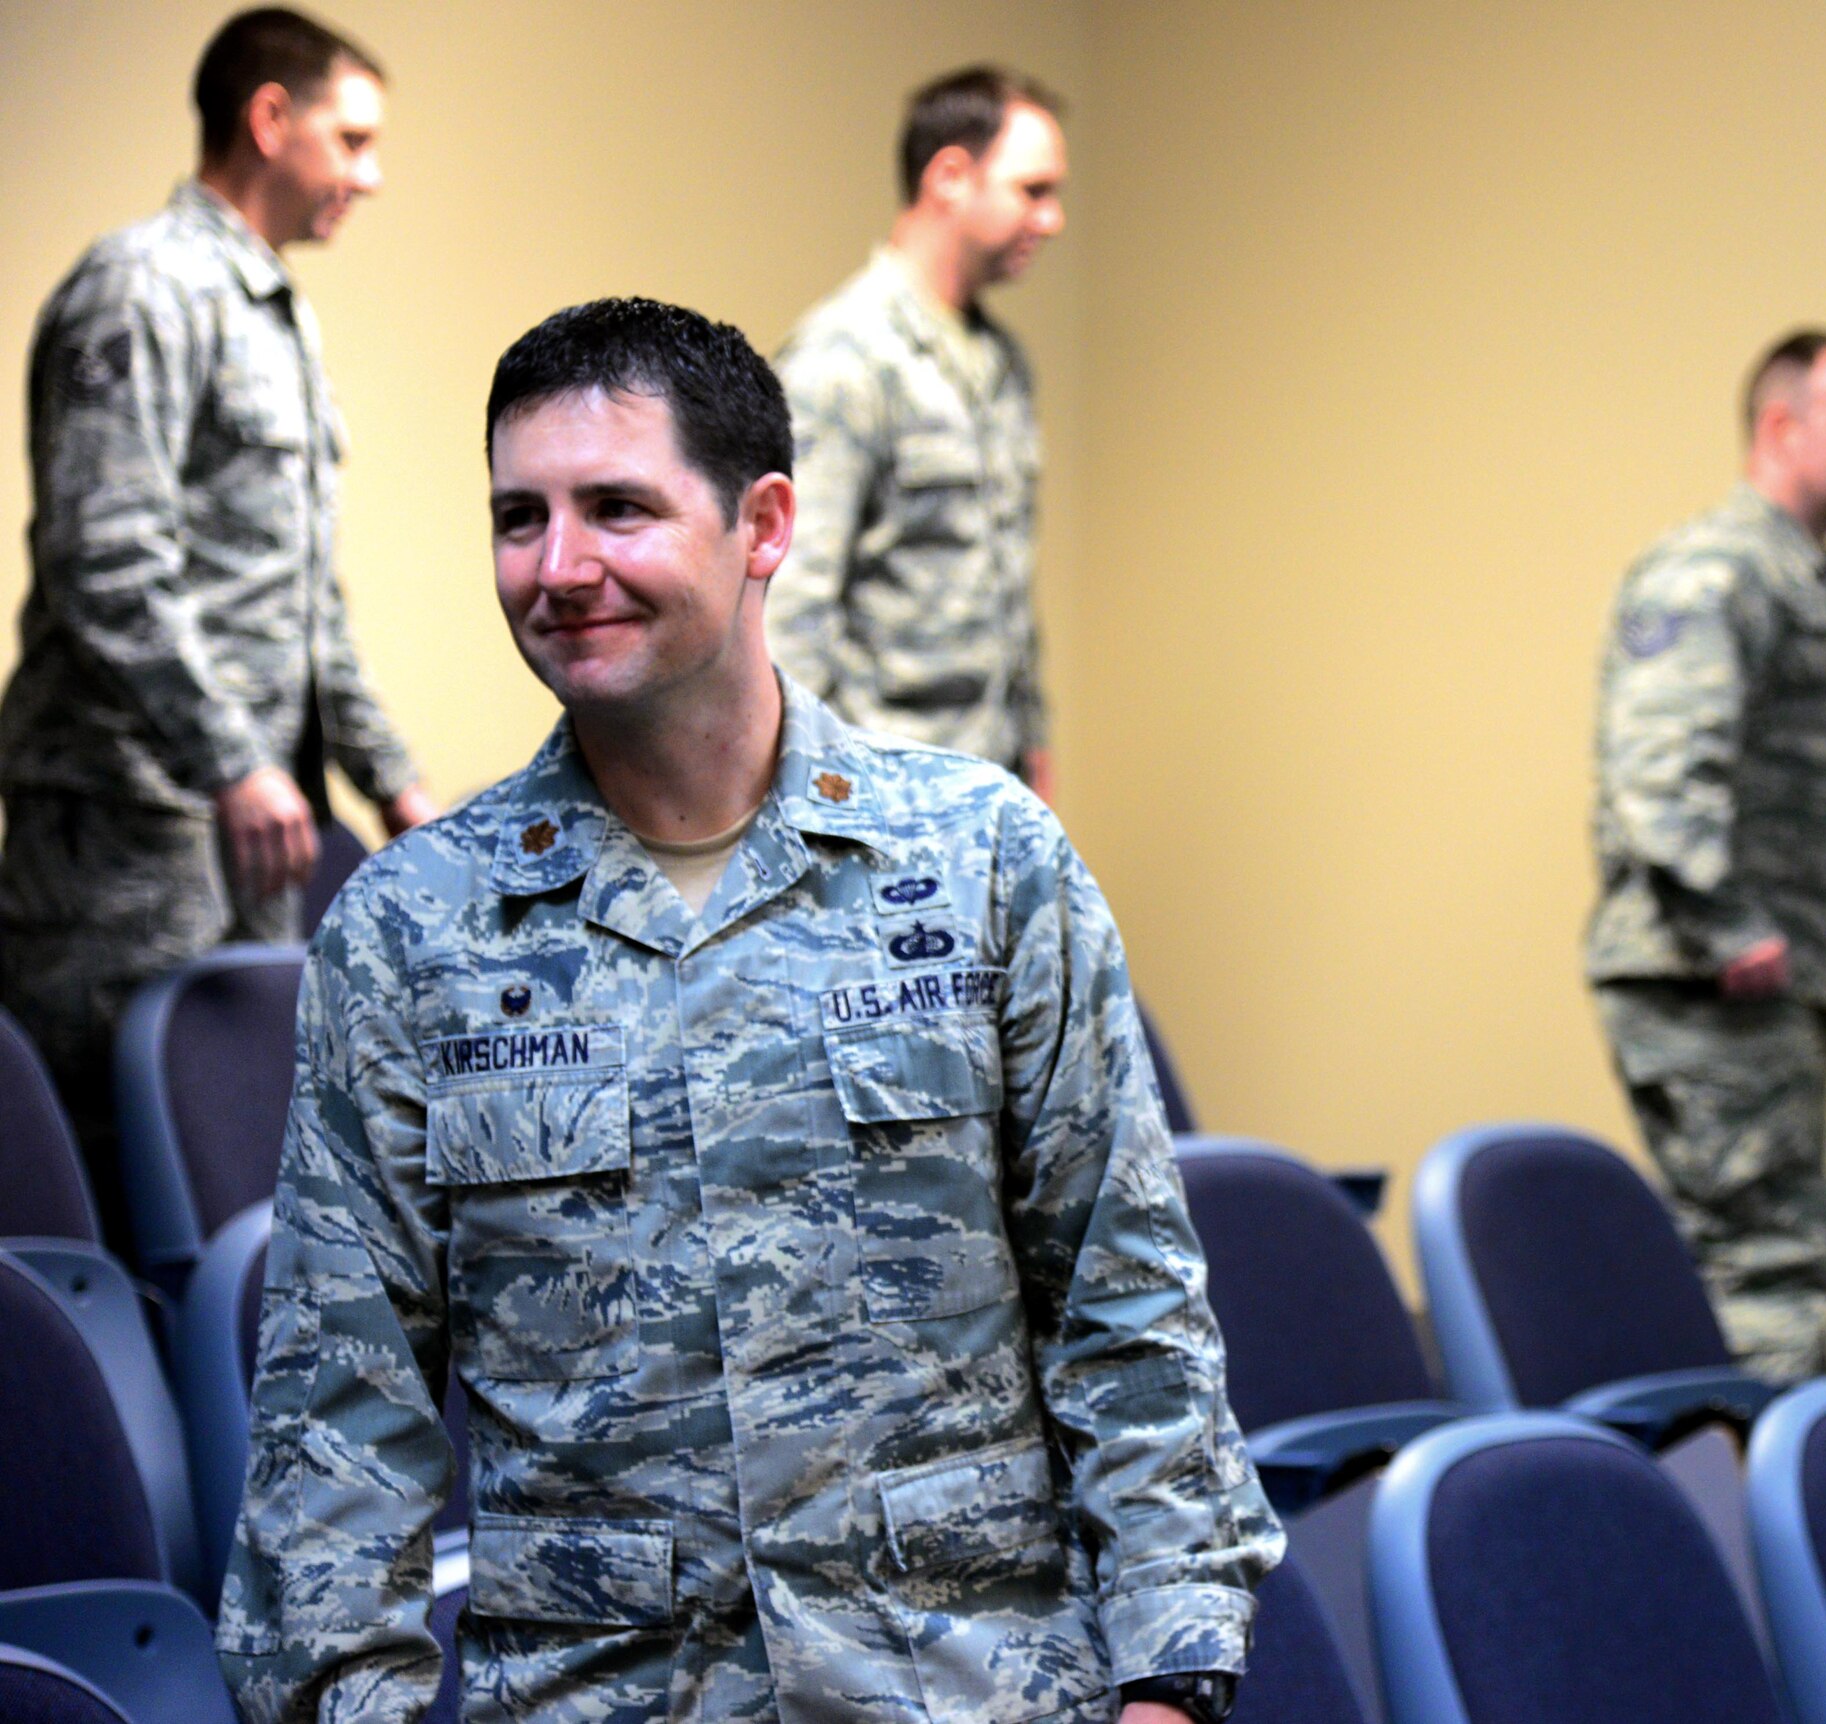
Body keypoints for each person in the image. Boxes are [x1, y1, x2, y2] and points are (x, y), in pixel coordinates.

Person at [217, 298, 1280, 1724]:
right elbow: (338, 1413)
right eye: (519, 517)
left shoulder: (983, 861)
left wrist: (1169, 1682)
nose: (560, 566)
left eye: (618, 508)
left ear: (762, 524)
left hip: (975, 1691)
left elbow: (1129, 1303)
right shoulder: (415, 931)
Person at [0, 5, 435, 1247]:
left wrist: (392, 785)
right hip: (125, 842)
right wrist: (232, 756)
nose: (370, 174)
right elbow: (105, 562)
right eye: (351, 140)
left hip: (240, 837)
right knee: (98, 1206)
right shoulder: (143, 287)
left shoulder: (270, 311)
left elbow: (302, 605)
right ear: (268, 118)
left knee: (225, 1194)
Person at [1587, 329, 1826, 1385]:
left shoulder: (1802, 580)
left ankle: (1766, 1516)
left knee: (1755, 1258)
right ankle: (1779, 1536)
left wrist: (1822, 968)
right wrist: (1732, 928)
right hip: (1706, 971)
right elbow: (1658, 774)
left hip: (1764, 978)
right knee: (1766, 1267)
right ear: (1779, 426)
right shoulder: (1716, 569)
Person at [769, 66, 1066, 798]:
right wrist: (819, 801)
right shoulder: (844, 360)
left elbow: (1004, 585)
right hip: (881, 792)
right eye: (1033, 190)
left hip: (986, 787)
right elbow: (788, 616)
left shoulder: (1000, 364)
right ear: (950, 176)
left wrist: (1032, 743)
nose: (1053, 218)